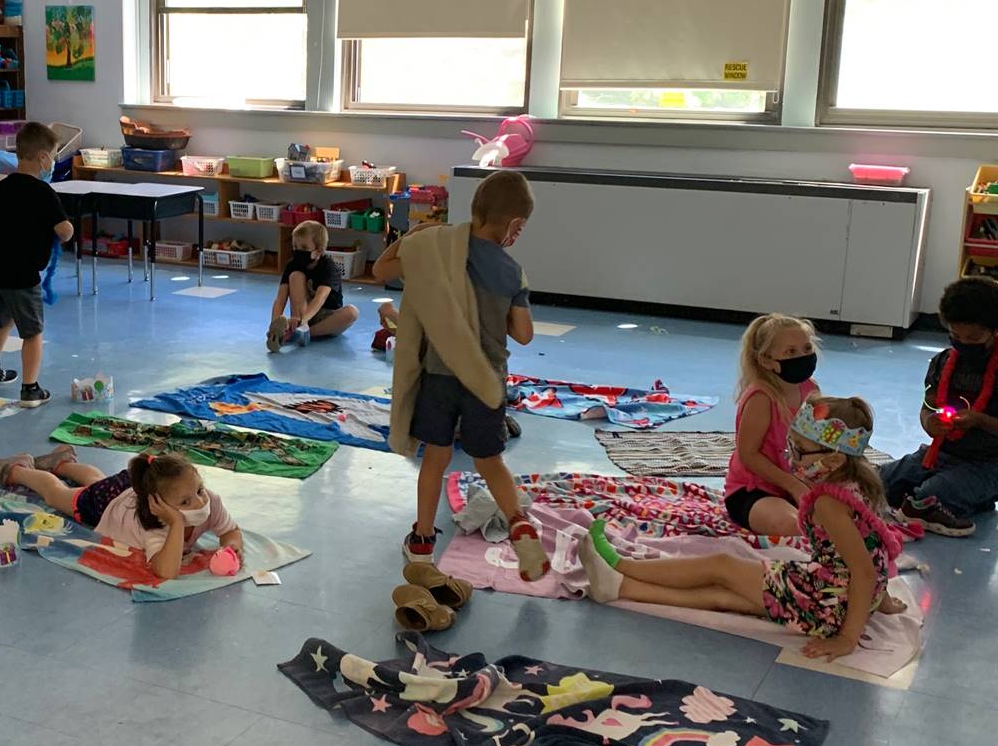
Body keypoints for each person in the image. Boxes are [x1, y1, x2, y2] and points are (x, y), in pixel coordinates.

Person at [581, 395, 911, 662]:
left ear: (834, 461)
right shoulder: (856, 483)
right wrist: (878, 601)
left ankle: (621, 565)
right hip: (832, 599)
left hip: (825, 604)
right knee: (725, 596)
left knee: (721, 566)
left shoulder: (829, 504)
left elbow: (864, 570)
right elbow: (876, 546)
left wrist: (847, 639)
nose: (790, 457)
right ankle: (618, 588)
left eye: (798, 451)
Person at [374, 168, 546, 575]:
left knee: (435, 457)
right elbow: (523, 334)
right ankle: (519, 524)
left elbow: (382, 272)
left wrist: (412, 238)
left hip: (439, 375)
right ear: (515, 226)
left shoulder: (435, 247)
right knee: (490, 461)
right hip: (486, 382)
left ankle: (421, 541)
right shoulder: (512, 271)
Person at [0, 445, 242, 583]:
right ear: (158, 505)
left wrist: (230, 548)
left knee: (98, 479)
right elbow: (166, 571)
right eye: (185, 501)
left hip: (124, 489)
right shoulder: (156, 523)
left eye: (200, 490)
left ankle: (61, 462)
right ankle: (16, 469)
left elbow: (230, 530)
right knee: (58, 495)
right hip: (106, 505)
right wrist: (174, 523)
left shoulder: (210, 502)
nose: (199, 502)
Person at [881, 274, 998, 535]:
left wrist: (980, 420)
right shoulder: (943, 362)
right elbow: (928, 407)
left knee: (931, 495)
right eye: (956, 335)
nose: (964, 343)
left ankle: (961, 495)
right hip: (940, 453)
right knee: (880, 482)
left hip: (989, 463)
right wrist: (929, 423)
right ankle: (955, 497)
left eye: (974, 337)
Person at [0, 121, 75, 404]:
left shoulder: (1, 188)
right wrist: (65, 229)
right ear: (42, 157)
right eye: (53, 156)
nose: (52, 162)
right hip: (22, 273)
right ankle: (31, 388)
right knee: (33, 332)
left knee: (2, 319)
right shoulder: (44, 193)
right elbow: (65, 231)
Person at [722, 312, 820, 537]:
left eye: (807, 349)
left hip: (797, 485)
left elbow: (814, 442)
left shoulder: (811, 389)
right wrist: (793, 485)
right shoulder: (761, 397)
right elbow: (749, 455)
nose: (802, 356)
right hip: (753, 491)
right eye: (790, 352)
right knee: (792, 527)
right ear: (766, 360)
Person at [266, 221, 360, 351]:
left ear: (318, 251)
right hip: (300, 315)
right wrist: (274, 324)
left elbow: (320, 298)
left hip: (326, 318)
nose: (298, 251)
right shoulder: (292, 265)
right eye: (295, 247)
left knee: (352, 312)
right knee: (295, 276)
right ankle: (296, 329)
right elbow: (280, 298)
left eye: (304, 248)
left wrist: (303, 320)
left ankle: (300, 333)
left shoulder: (328, 267)